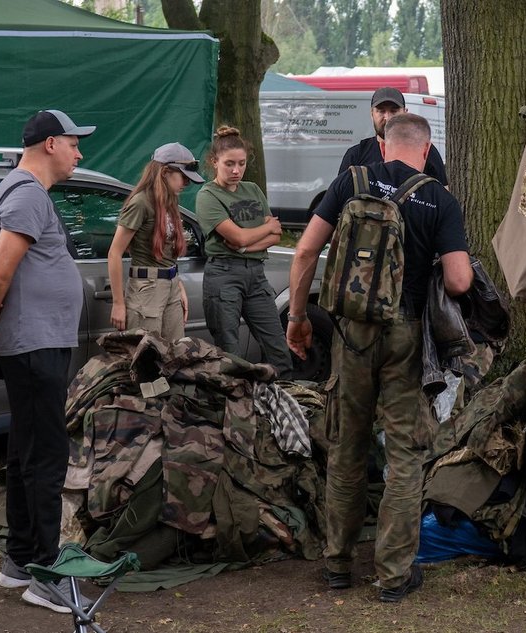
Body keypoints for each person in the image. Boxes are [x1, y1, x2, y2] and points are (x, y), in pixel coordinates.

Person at [287, 112, 472, 603]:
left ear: (384, 145)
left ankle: (337, 564)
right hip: (407, 333)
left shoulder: (351, 181)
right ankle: (393, 574)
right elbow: (458, 281)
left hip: (351, 332)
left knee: (347, 446)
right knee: (405, 453)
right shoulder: (440, 197)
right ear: (427, 150)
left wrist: (298, 318)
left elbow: (305, 252)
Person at [0, 109, 94, 613]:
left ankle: (19, 559)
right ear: (48, 145)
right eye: (73, 143)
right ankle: (46, 573)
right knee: (47, 457)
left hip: (36, 342)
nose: (79, 152)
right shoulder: (25, 195)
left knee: (24, 450)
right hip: (35, 345)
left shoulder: (20, 191)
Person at [195, 126, 293, 378]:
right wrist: (262, 229)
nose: (236, 170)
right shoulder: (208, 195)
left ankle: (280, 408)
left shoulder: (253, 189)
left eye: (241, 163)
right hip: (224, 276)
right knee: (229, 354)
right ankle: (235, 412)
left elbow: (275, 234)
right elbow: (238, 235)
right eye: (229, 164)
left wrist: (246, 245)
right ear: (214, 162)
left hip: (256, 274)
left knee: (278, 348)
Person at [107, 142, 204, 340]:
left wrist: (177, 285)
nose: (186, 183)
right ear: (165, 172)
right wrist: (118, 303)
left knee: (176, 355)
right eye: (183, 177)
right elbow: (114, 252)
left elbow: (167, 252)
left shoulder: (169, 201)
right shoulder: (141, 202)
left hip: (170, 286)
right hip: (146, 290)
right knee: (147, 358)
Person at [338, 87, 449, 186]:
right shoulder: (356, 155)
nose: (388, 117)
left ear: (405, 112)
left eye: (394, 111)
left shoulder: (425, 151)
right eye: (381, 111)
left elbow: (443, 193)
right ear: (372, 114)